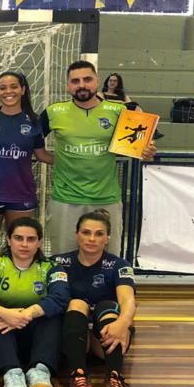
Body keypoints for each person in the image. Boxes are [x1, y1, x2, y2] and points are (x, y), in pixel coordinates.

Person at [40, 60, 156, 256]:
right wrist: (58, 160)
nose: (82, 85)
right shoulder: (53, 112)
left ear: (97, 81)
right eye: (75, 81)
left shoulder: (119, 111)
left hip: (106, 197)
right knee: (63, 259)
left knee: (108, 261)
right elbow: (31, 143)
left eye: (87, 79)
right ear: (68, 86)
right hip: (65, 199)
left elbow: (140, 147)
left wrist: (147, 151)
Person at [0, 217, 69, 387]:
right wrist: (6, 313)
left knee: (52, 316)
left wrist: (26, 314)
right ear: (8, 240)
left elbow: (60, 297)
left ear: (39, 242)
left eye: (31, 239)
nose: (24, 244)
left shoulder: (51, 267)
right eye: (18, 238)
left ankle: (40, 371)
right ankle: (12, 373)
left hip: (32, 332)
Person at [52, 209, 137, 387]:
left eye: (99, 234)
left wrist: (122, 324)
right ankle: (79, 378)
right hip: (74, 337)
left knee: (107, 305)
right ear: (76, 235)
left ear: (107, 238)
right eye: (86, 232)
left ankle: (115, 379)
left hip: (106, 338)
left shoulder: (118, 265)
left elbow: (128, 301)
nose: (92, 239)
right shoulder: (58, 262)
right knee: (76, 303)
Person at [0, 71, 52, 261]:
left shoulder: (34, 122)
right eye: (2, 88)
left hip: (21, 195)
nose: (8, 91)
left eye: (14, 86)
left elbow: (42, 155)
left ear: (23, 90)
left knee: (18, 248)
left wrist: (75, 158)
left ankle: (13, 287)